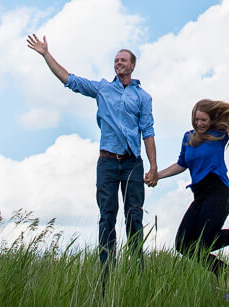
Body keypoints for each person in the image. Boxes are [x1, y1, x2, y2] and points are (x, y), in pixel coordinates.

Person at [26, 34, 158, 268]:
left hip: (132, 164)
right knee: (107, 216)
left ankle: (138, 272)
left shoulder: (143, 97)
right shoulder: (103, 89)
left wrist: (153, 167)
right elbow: (70, 80)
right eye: (116, 60)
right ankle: (107, 271)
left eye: (123, 60)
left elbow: (147, 131)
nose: (118, 63)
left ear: (132, 65)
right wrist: (46, 55)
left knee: (134, 217)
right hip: (107, 162)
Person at [150, 66, 229, 276]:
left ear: (211, 119)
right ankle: (223, 273)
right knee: (183, 244)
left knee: (205, 241)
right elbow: (181, 164)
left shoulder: (220, 132)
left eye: (203, 120)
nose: (199, 123)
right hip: (199, 196)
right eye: (196, 120)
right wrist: (157, 175)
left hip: (218, 193)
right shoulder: (188, 137)